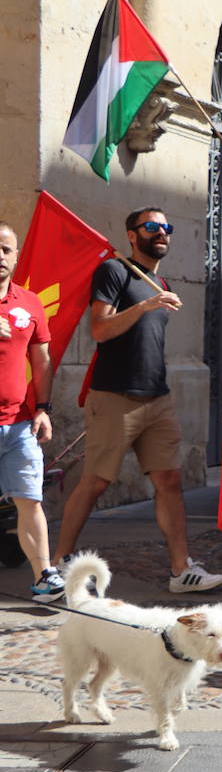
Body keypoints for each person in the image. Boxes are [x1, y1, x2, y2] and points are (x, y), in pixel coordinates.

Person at [53, 207, 222, 593]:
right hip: (115, 395)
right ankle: (58, 563)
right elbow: (99, 329)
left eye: (167, 227)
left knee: (170, 480)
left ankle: (182, 569)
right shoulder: (115, 272)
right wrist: (146, 304)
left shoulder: (157, 280)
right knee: (95, 482)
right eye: (151, 227)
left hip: (157, 397)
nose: (161, 232)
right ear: (132, 234)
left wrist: (153, 298)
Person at [0, 222, 61, 602]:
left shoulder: (30, 302)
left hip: (20, 423)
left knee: (29, 500)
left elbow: (42, 361)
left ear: (17, 256)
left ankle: (44, 577)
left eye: (6, 249)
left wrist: (43, 408)